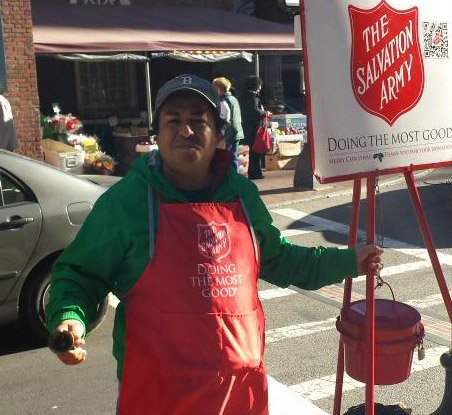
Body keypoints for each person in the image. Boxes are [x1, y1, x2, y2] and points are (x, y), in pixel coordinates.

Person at [46, 74, 383, 415]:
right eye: (173, 120)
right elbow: (80, 275)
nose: (185, 130)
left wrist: (349, 260)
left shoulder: (242, 195)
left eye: (198, 120)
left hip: (239, 395)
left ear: (219, 133)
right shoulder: (126, 202)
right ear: (157, 134)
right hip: (158, 397)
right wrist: (70, 317)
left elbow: (281, 260)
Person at [241, 75, 267, 180]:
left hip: (249, 126)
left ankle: (255, 171)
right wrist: (264, 113)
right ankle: (256, 172)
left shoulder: (245, 95)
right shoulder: (252, 96)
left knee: (253, 149)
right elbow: (254, 110)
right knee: (255, 149)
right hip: (253, 126)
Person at [213, 77, 244, 159]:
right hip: (237, 131)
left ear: (218, 89)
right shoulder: (234, 99)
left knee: (228, 157)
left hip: (228, 133)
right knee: (234, 156)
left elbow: (225, 118)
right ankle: (234, 171)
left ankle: (230, 172)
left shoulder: (224, 100)